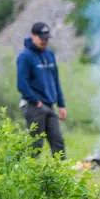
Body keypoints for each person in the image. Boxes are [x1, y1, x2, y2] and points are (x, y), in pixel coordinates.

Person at [17, 22, 67, 157]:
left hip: (50, 105)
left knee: (58, 141)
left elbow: (55, 81)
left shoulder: (49, 55)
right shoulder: (25, 57)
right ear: (33, 36)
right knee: (35, 144)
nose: (44, 41)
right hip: (34, 106)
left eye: (46, 38)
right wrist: (36, 102)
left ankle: (62, 175)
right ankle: (28, 174)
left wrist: (61, 104)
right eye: (41, 38)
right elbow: (21, 84)